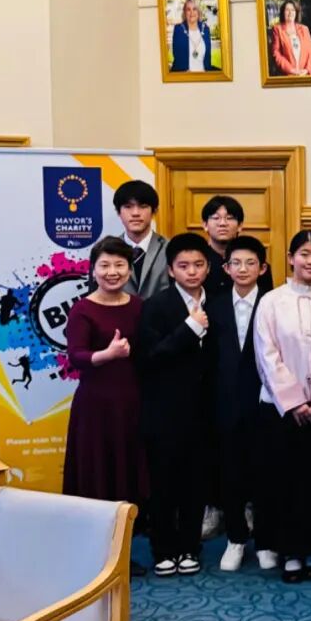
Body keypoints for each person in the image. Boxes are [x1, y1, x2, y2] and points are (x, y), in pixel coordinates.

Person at [254, 231, 311, 584]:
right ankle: (290, 551)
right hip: (280, 409)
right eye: (304, 254)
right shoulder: (271, 301)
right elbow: (267, 354)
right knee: (284, 481)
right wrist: (293, 402)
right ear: (290, 258)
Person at [136, 234, 215, 577]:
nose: (192, 272)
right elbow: (149, 357)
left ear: (208, 267)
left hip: (205, 411)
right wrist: (189, 328)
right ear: (170, 270)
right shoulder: (156, 306)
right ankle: (163, 548)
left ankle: (190, 547)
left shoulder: (219, 303)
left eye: (198, 265)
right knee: (164, 483)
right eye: (183, 266)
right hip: (165, 410)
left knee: (196, 483)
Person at [63, 237, 149, 522]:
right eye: (105, 265)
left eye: (120, 265)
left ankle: (130, 531)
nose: (112, 272)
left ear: (129, 270)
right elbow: (75, 356)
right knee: (98, 468)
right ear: (93, 269)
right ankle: (97, 534)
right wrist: (107, 354)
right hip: (96, 405)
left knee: (130, 464)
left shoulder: (139, 306)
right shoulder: (82, 309)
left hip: (133, 400)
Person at [208, 236, 277, 573]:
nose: (243, 269)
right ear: (226, 268)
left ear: (262, 268)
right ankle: (235, 538)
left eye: (251, 263)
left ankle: (265, 541)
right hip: (225, 403)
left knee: (266, 473)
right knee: (230, 473)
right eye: (236, 263)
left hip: (266, 402)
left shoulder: (274, 303)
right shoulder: (214, 305)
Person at [201, 195, 274, 298]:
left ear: (240, 225)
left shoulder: (257, 265)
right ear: (205, 225)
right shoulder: (198, 262)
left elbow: (266, 301)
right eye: (216, 218)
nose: (222, 223)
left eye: (229, 218)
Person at [112, 180, 168, 299]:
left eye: (143, 206)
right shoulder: (107, 250)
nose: (135, 213)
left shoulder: (169, 248)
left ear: (154, 211)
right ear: (118, 212)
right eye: (128, 207)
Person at [269, 0, 311, 77]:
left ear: (296, 12)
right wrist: (291, 70)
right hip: (287, 76)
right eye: (287, 10)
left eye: (293, 10)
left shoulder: (304, 29)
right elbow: (276, 53)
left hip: (304, 76)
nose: (290, 13)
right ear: (283, 12)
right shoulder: (277, 29)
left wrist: (307, 70)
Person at [170, 0, 215, 74]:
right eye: (188, 9)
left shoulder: (206, 29)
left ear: (198, 11)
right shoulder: (178, 29)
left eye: (194, 9)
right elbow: (177, 56)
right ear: (185, 12)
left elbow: (208, 57)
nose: (192, 13)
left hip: (204, 75)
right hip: (185, 76)